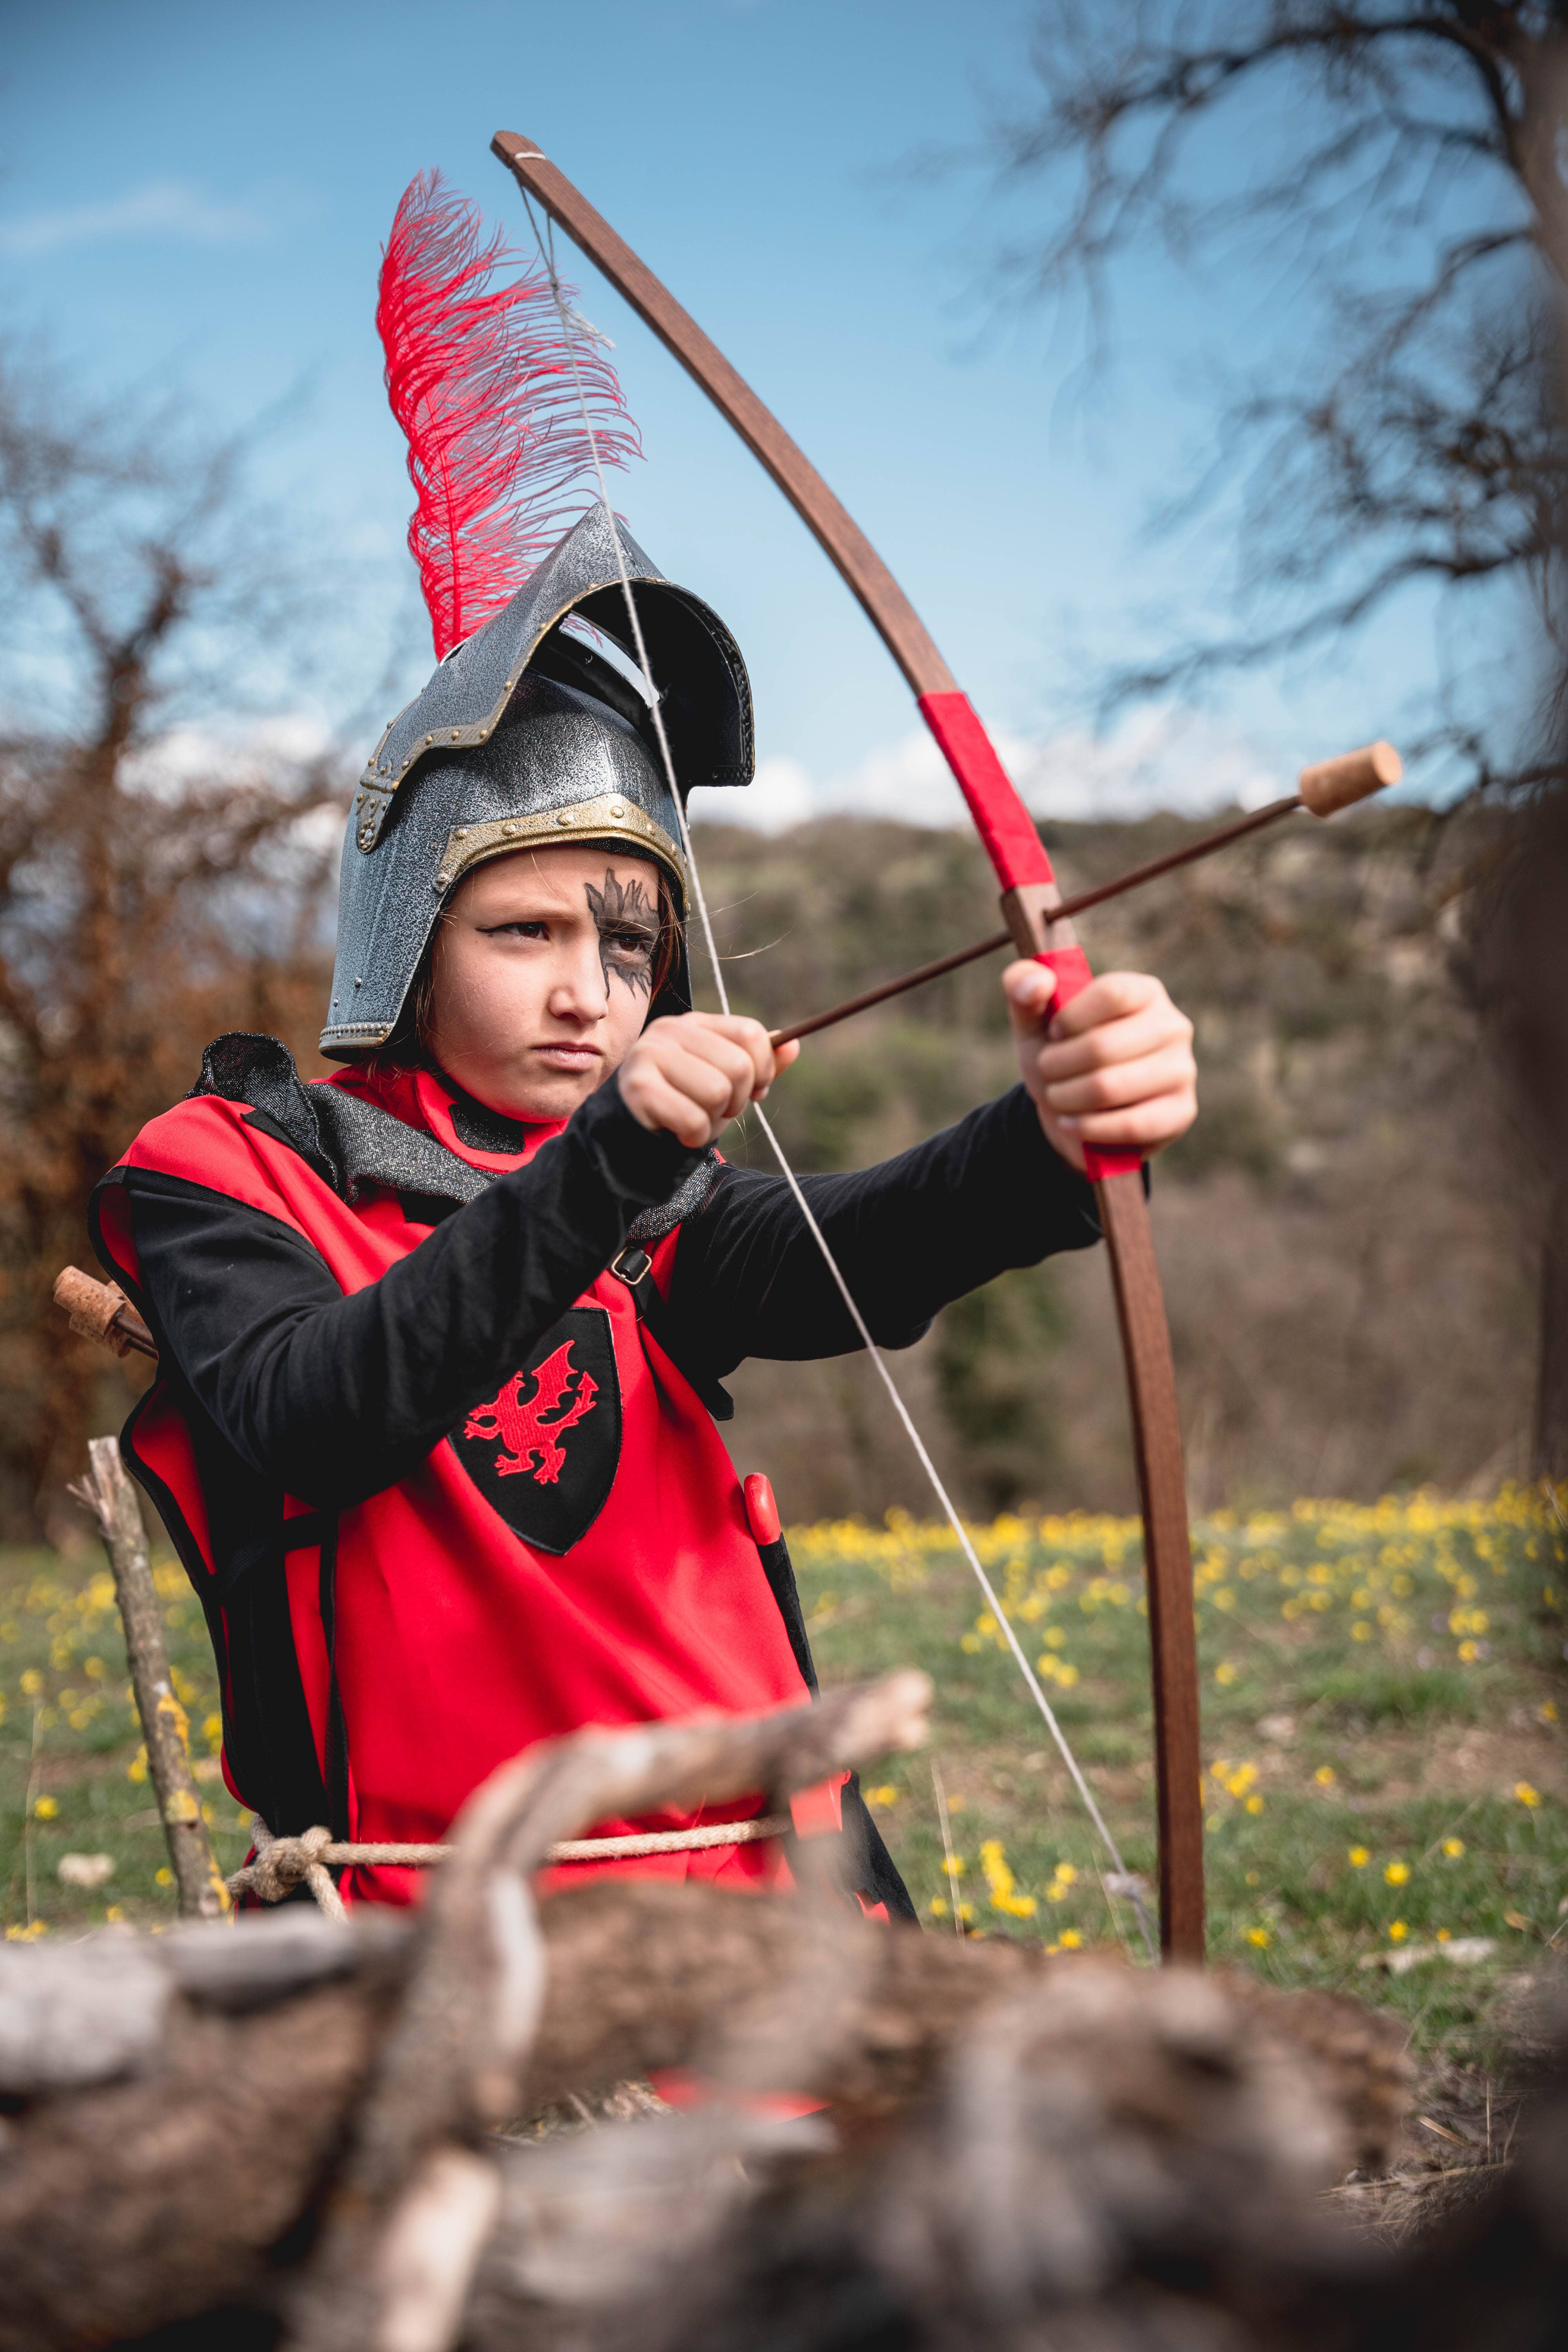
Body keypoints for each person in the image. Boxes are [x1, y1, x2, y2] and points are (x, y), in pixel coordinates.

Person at [87, 505, 1196, 1922]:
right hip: (422, 1925)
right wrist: (605, 1158)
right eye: (522, 932)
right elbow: (320, 1409)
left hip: (773, 1897)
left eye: (627, 946)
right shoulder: (234, 1162)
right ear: (411, 942)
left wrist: (1051, 1135)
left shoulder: (658, 1201)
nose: (588, 994)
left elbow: (843, 1253)